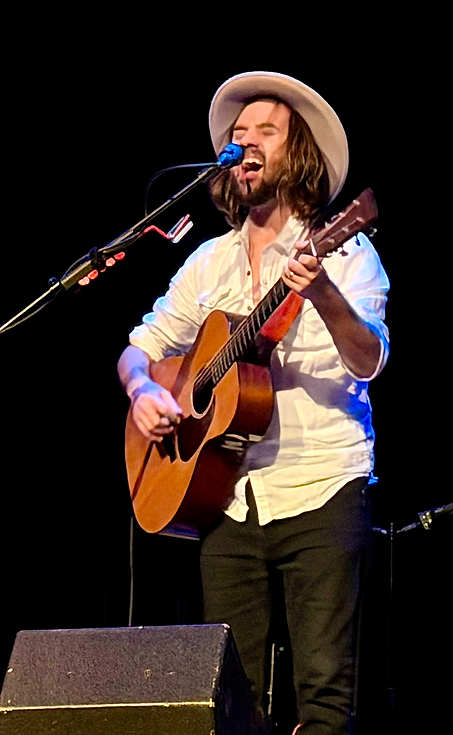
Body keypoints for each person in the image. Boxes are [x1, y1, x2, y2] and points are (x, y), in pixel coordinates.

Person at [118, 72, 390, 735]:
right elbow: (139, 346)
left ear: (298, 152)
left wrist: (321, 290)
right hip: (228, 497)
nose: (246, 142)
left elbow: (370, 359)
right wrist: (146, 389)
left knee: (324, 699)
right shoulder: (208, 263)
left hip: (323, 484)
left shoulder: (348, 248)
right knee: (230, 704)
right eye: (238, 135)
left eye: (265, 131)